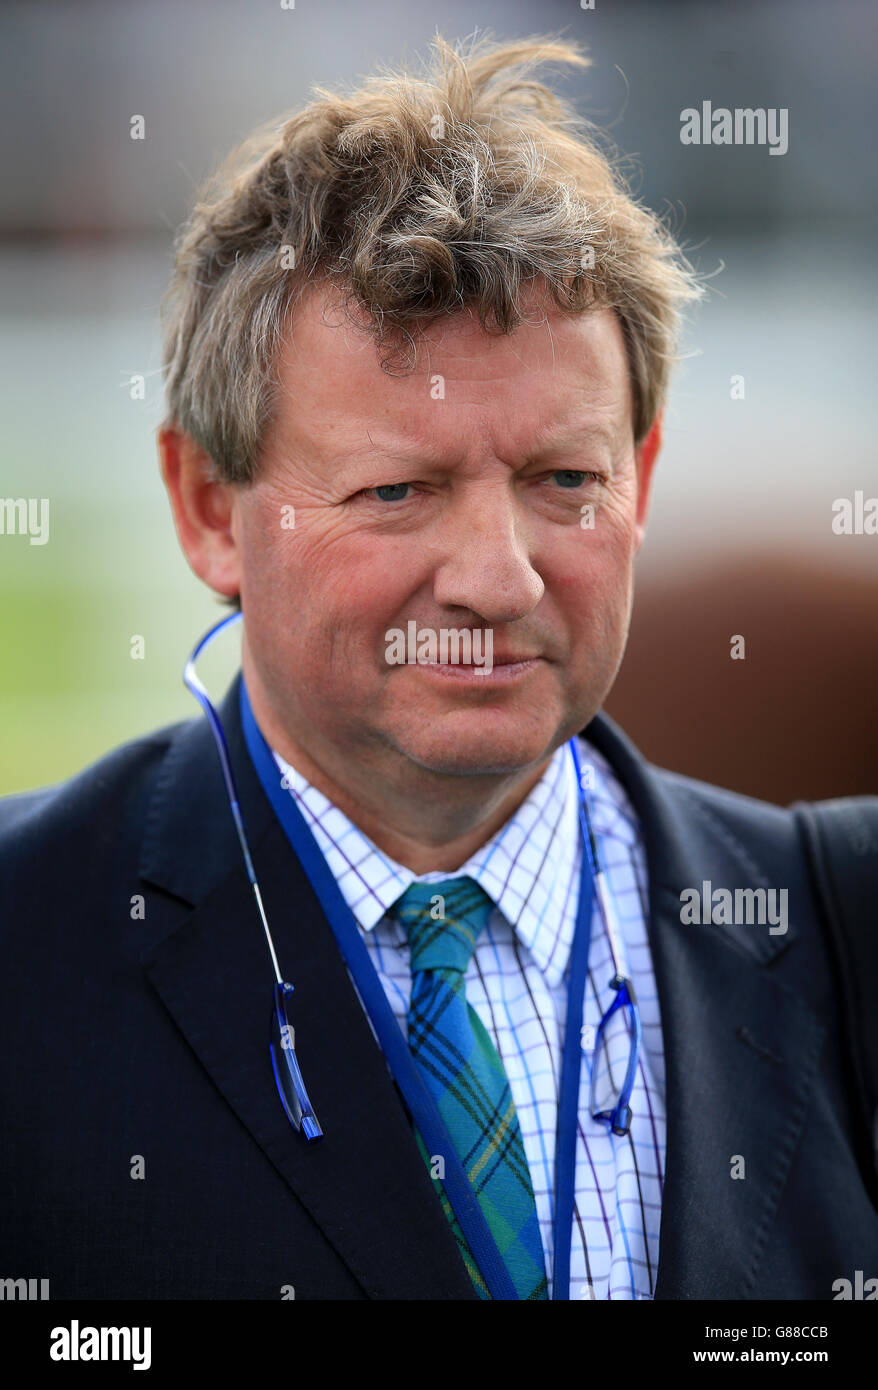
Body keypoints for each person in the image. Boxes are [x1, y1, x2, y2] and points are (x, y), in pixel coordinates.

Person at [1, 34, 876, 1302]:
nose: (499, 576)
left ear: (643, 477)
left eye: (563, 480)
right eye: (397, 489)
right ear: (206, 505)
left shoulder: (842, 932)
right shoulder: (27, 951)